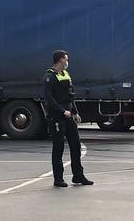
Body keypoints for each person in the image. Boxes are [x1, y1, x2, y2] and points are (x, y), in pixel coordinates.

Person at [43, 50, 93, 187]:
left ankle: (78, 176)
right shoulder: (50, 77)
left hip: (69, 116)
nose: (67, 62)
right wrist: (62, 111)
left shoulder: (65, 75)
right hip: (57, 117)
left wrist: (75, 112)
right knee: (58, 148)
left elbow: (70, 97)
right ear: (60, 60)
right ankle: (58, 178)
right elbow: (49, 98)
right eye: (66, 59)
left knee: (75, 146)